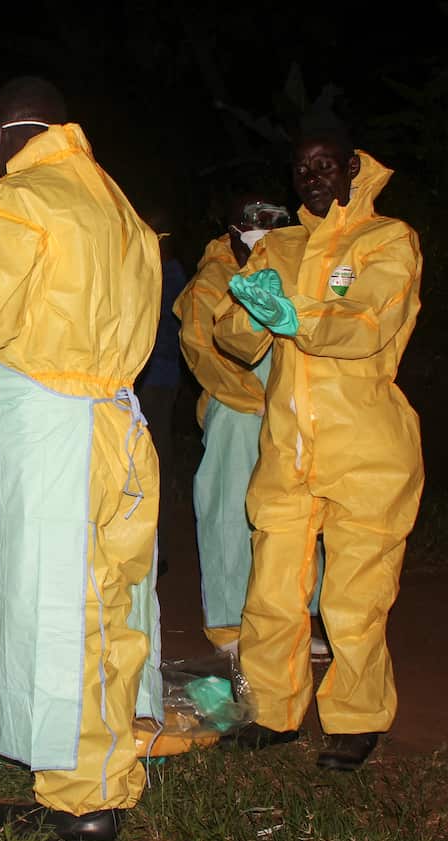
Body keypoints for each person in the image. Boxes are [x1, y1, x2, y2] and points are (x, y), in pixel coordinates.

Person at [0, 76, 163, 841]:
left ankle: (79, 798)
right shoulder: (115, 199)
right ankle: (107, 774)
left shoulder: (22, 199)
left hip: (52, 432)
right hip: (118, 423)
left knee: (58, 612)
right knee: (109, 608)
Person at [213, 117, 423, 771]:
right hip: (288, 450)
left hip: (365, 447)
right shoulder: (277, 248)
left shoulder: (388, 240)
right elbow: (234, 336)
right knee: (273, 589)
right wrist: (248, 310)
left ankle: (357, 720)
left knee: (355, 594)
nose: (311, 175)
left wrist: (294, 315)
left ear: (352, 168)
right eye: (301, 167)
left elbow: (366, 322)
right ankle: (273, 711)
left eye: (324, 164)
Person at [173, 192, 328, 659]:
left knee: (296, 514)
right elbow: (200, 346)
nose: (267, 228)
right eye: (256, 220)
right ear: (234, 228)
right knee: (229, 511)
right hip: (237, 413)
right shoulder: (215, 275)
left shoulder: (290, 262)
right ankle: (229, 627)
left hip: (290, 413)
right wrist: (253, 399)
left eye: (276, 220)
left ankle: (296, 617)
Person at [135, 208, 188, 578]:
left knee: (154, 466)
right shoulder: (148, 271)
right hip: (141, 382)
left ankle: (157, 549)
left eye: (161, 237)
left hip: (159, 382)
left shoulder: (171, 276)